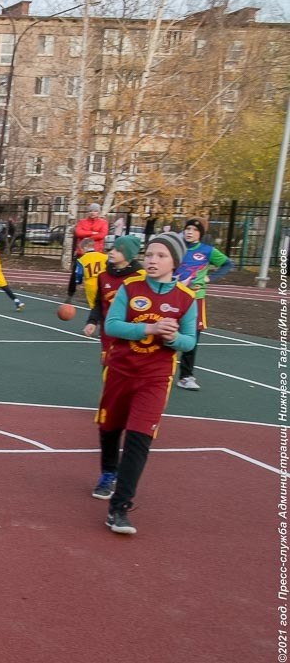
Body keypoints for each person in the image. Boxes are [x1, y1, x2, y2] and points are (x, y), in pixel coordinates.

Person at [94, 232, 197, 535]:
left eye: (161, 256)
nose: (152, 260)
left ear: (174, 262)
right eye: (149, 254)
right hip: (120, 370)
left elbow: (190, 342)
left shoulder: (186, 298)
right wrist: (149, 328)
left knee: (139, 438)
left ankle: (119, 508)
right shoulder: (130, 287)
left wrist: (173, 338)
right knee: (110, 428)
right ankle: (108, 472)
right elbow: (112, 325)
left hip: (155, 377)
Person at [174, 218, 233, 391]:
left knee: (192, 337)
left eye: (194, 230)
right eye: (187, 228)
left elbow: (227, 264)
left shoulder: (207, 251)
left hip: (195, 299)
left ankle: (185, 376)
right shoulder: (176, 247)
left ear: (200, 234)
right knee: (164, 332)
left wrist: (210, 278)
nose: (189, 232)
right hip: (173, 297)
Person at [82, 235, 144, 364]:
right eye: (112, 248)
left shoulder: (141, 277)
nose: (111, 252)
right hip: (108, 333)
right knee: (109, 367)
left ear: (128, 254)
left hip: (130, 335)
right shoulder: (103, 275)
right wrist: (92, 321)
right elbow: (99, 302)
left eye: (118, 250)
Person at [74, 237, 109, 309]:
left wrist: (78, 282)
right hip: (103, 282)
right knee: (105, 303)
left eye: (81, 249)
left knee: (94, 306)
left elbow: (79, 274)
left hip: (91, 284)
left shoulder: (82, 260)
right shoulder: (104, 257)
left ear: (85, 248)